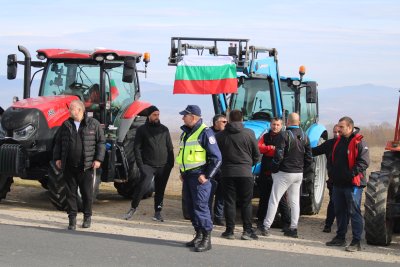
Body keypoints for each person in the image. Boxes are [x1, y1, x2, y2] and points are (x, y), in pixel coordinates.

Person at [53, 99, 105, 230]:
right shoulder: (66, 125)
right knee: (70, 194)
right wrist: (57, 158)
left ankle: (87, 217)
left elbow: (101, 143)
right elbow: (58, 143)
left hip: (86, 167)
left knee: (87, 193)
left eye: (71, 108)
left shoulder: (93, 124)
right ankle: (72, 220)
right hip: (69, 166)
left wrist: (98, 159)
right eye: (70, 108)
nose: (69, 111)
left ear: (80, 110)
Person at [177, 105, 222, 252]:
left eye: (185, 115)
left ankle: (206, 239)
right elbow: (183, 155)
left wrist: (207, 176)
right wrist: (182, 172)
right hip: (188, 177)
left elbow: (217, 158)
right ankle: (198, 234)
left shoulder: (205, 132)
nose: (183, 117)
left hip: (199, 177)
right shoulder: (186, 133)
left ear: (194, 117)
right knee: (191, 208)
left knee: (201, 207)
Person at [262, 113, 312, 238]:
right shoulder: (305, 136)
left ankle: (265, 226)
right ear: (299, 122)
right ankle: (293, 228)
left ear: (287, 122)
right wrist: (302, 169)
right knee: (294, 201)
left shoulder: (283, 135)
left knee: (274, 199)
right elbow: (309, 157)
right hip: (298, 173)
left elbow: (279, 155)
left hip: (284, 172)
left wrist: (274, 169)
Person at [325, 117, 369, 252]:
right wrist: (332, 174)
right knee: (339, 211)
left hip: (353, 185)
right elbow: (333, 160)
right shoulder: (338, 142)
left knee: (353, 211)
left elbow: (364, 162)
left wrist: (350, 174)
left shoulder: (359, 142)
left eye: (341, 127)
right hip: (338, 184)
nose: (338, 129)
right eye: (338, 126)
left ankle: (357, 241)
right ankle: (340, 237)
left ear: (350, 127)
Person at [123, 105, 174, 222]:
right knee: (142, 187)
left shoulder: (164, 129)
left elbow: (170, 148)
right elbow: (136, 148)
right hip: (148, 166)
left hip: (163, 166)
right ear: (149, 116)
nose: (157, 117)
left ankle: (158, 212)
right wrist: (141, 166)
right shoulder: (142, 130)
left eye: (158, 114)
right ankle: (133, 208)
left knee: (160, 190)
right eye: (154, 115)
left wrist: (170, 164)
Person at [216, 110, 260, 240]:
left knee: (229, 202)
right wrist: (248, 165)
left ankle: (230, 231)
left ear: (228, 119)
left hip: (227, 173)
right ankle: (247, 231)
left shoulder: (220, 135)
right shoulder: (250, 133)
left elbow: (216, 155)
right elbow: (256, 154)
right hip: (245, 172)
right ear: (242, 119)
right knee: (246, 202)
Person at [256, 117, 291, 233]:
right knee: (264, 198)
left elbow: (282, 151)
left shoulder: (285, 137)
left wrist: (269, 150)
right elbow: (259, 148)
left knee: (281, 199)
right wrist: (271, 148)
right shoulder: (265, 136)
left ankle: (286, 223)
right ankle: (260, 221)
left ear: (282, 126)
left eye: (277, 125)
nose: (275, 127)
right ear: (270, 125)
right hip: (265, 172)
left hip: (279, 172)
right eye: (273, 124)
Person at [312, 124, 340, 233]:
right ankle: (328, 225)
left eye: (338, 131)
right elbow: (314, 151)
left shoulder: (349, 144)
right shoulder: (329, 144)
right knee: (333, 202)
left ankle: (343, 227)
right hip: (333, 180)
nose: (336, 134)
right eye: (334, 132)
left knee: (346, 205)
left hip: (346, 180)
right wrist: (301, 147)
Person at [209, 114, 227, 226]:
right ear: (216, 122)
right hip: (211, 168)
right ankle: (208, 216)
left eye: (226, 121)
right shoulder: (208, 133)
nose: (226, 124)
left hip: (223, 169)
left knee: (222, 195)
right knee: (208, 194)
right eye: (223, 122)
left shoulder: (227, 134)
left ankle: (218, 217)